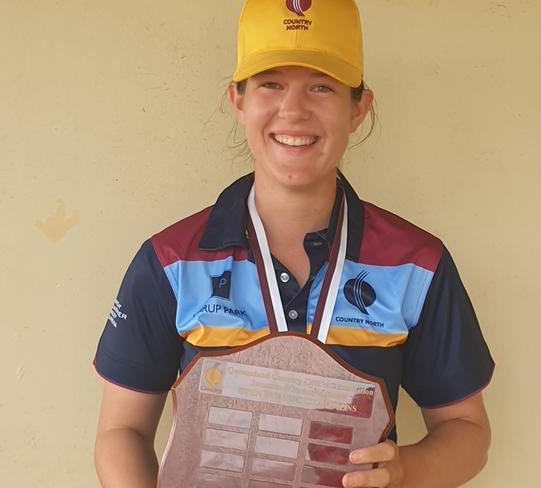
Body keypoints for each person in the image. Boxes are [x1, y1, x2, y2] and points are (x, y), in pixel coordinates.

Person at [93, 0, 495, 486]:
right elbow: (122, 430)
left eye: (322, 86)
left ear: (358, 108)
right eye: (271, 84)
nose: (294, 109)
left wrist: (403, 471)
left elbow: (466, 430)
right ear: (237, 100)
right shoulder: (171, 261)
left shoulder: (416, 264)